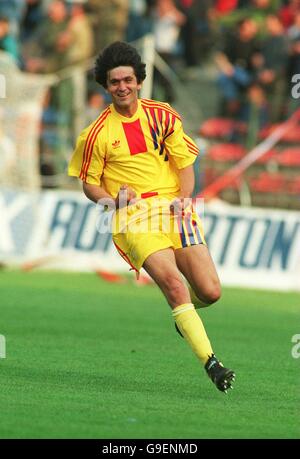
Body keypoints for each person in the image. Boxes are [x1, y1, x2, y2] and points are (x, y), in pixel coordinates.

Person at [68, 41, 235, 393]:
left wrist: (184, 199)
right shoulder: (95, 134)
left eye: (128, 79)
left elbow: (186, 165)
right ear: (106, 86)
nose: (122, 87)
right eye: (115, 82)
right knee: (174, 285)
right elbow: (88, 185)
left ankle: (184, 315)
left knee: (210, 291)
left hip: (175, 209)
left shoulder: (163, 115)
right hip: (133, 218)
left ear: (139, 80)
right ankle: (212, 363)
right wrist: (113, 202)